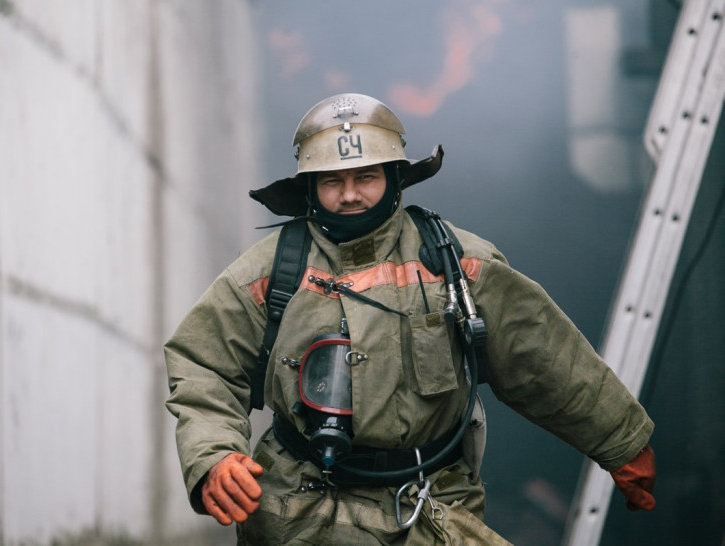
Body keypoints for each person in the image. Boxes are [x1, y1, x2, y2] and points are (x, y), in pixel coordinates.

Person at [164, 93, 656, 544]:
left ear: (395, 178)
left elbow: (538, 354)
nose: (350, 195)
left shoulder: (456, 262)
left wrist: (621, 441)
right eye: (333, 181)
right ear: (310, 187)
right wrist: (215, 455)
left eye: (366, 177)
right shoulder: (272, 270)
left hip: (431, 508)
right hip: (300, 513)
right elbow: (205, 365)